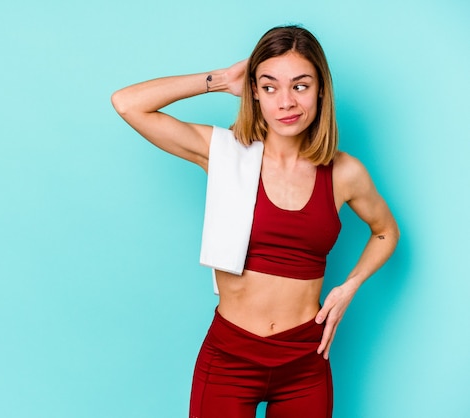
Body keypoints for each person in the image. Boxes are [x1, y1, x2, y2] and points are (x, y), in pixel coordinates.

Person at [111, 25, 399, 418]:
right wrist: (220, 80)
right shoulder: (224, 154)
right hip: (230, 357)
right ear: (254, 93)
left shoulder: (345, 172)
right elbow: (128, 103)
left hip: (305, 361)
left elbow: (385, 230)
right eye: (269, 87)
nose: (285, 101)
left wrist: (350, 286)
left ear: (320, 91)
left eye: (300, 86)